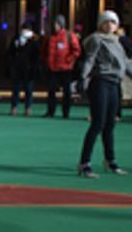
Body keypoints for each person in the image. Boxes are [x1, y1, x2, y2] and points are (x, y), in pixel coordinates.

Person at [76, 10, 132, 177]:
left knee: (110, 124)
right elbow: (90, 59)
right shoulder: (96, 39)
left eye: (113, 22)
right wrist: (82, 77)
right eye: (106, 22)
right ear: (100, 24)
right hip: (100, 82)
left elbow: (126, 63)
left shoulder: (119, 41)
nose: (110, 25)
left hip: (115, 84)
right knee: (98, 123)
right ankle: (84, 163)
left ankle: (110, 160)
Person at [43, 15, 82, 118]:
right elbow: (44, 50)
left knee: (66, 91)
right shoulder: (49, 36)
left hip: (66, 68)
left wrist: (69, 60)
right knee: (51, 90)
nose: (54, 26)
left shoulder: (69, 35)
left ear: (61, 25)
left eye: (56, 24)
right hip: (52, 68)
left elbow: (76, 50)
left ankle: (66, 112)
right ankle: (50, 111)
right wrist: (46, 61)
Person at [8, 20, 40, 116]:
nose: (23, 31)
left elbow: (36, 55)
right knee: (15, 89)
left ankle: (28, 108)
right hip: (18, 68)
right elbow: (11, 52)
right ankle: (14, 107)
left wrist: (33, 67)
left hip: (29, 68)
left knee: (28, 89)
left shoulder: (34, 40)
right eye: (23, 29)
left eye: (25, 30)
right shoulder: (16, 39)